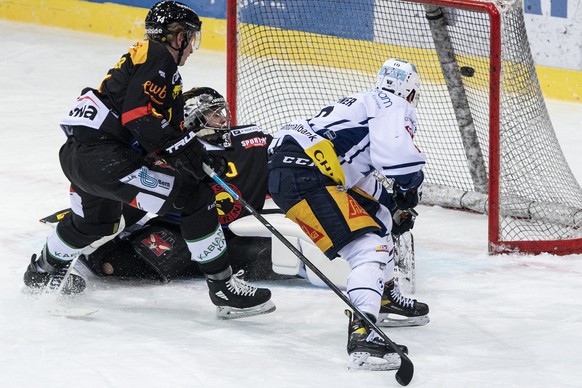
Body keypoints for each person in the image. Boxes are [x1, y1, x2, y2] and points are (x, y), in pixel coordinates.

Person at [23, 1, 275, 320]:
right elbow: (138, 117)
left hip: (79, 157)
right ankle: (224, 289)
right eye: (192, 39)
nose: (192, 48)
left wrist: (186, 149)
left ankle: (42, 271)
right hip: (107, 161)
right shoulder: (159, 58)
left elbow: (147, 124)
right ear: (178, 36)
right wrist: (184, 150)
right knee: (196, 199)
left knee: (95, 223)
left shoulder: (144, 60)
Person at [266, 58, 429, 370]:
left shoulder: (362, 103)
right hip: (306, 178)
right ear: (409, 91)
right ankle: (363, 335)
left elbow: (355, 173)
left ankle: (383, 295)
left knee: (380, 217)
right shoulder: (393, 105)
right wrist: (409, 187)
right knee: (368, 248)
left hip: (296, 171)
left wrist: (392, 204)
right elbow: (397, 157)